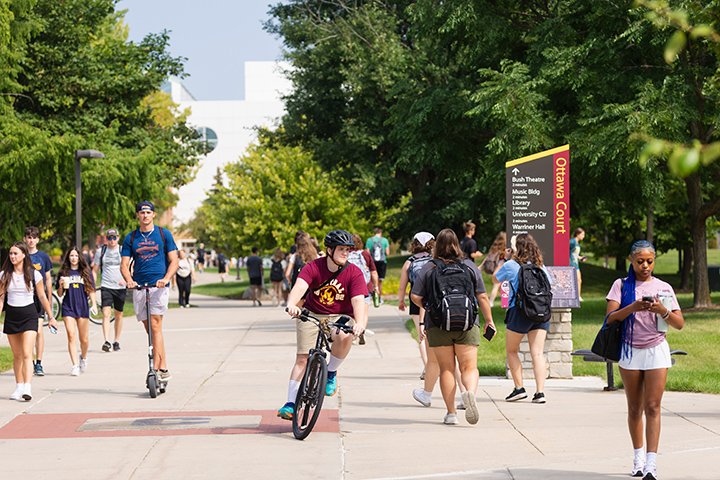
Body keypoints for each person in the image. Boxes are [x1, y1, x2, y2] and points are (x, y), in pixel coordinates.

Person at [605, 240, 684, 480]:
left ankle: (651, 463)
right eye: (640, 262)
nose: (645, 266)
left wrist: (662, 310)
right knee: (634, 407)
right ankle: (638, 457)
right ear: (631, 260)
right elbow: (610, 318)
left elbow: (679, 324)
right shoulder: (621, 285)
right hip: (630, 351)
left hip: (656, 350)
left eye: (650, 261)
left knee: (653, 407)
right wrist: (634, 307)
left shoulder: (663, 287)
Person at [277, 230, 368, 420]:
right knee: (302, 359)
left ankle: (331, 372)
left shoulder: (354, 273)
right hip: (312, 313)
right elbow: (300, 286)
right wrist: (292, 304)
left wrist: (359, 323)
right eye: (341, 249)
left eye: (348, 250)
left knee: (345, 335)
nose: (345, 253)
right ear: (329, 249)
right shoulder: (313, 267)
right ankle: (291, 403)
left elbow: (359, 301)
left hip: (339, 315)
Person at [410, 228, 495, 426]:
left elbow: (415, 296)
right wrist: (489, 320)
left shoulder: (429, 267)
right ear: (457, 244)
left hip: (438, 324)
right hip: (467, 323)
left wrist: (429, 307)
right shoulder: (469, 266)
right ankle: (469, 393)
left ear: (436, 245)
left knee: (447, 369)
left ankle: (451, 414)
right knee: (469, 367)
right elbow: (482, 296)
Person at [120, 200, 179, 383]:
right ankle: (164, 365)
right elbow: (124, 265)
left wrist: (166, 279)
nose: (145, 215)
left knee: (155, 325)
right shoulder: (131, 238)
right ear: (137, 215)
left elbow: (174, 261)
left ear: (153, 214)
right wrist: (129, 281)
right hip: (140, 286)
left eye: (148, 212)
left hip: (158, 286)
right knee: (151, 330)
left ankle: (158, 368)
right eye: (141, 212)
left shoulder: (163, 234)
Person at [494, 233, 552, 404]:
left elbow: (495, 278)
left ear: (514, 248)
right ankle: (540, 392)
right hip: (540, 312)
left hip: (519, 311)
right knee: (538, 353)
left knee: (512, 350)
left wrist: (505, 258)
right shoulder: (540, 265)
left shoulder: (510, 265)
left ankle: (519, 388)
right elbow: (550, 283)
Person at [0, 241, 58, 400]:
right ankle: (18, 386)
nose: (12, 256)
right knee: (17, 354)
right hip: (12, 316)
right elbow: (1, 298)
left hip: (30, 315)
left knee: (27, 352)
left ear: (24, 255)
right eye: (10, 253)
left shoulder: (34, 274)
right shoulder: (4, 274)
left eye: (15, 253)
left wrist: (51, 317)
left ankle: (27, 388)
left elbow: (42, 296)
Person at [397, 232, 435, 378]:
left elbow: (402, 286)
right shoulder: (433, 260)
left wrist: (401, 301)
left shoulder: (409, 262)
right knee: (432, 333)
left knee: (421, 335)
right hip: (432, 299)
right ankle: (435, 364)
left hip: (415, 298)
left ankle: (427, 367)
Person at [57, 247, 98, 376]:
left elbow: (91, 289)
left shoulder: (85, 272)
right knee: (71, 335)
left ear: (79, 257)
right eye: (71, 256)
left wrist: (94, 304)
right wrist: (60, 284)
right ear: (68, 258)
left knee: (84, 339)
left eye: (75, 256)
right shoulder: (64, 272)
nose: (73, 258)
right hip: (68, 306)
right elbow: (59, 294)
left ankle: (83, 358)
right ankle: (74, 365)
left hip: (82, 306)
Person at [23, 226, 53, 376]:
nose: (31, 240)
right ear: (25, 239)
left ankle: (39, 363)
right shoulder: (21, 255)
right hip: (24, 297)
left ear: (38, 240)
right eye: (28, 237)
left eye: (34, 237)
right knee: (29, 332)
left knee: (39, 331)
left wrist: (49, 298)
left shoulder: (43, 257)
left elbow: (48, 279)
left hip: (38, 298)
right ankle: (30, 360)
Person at [92, 228, 127, 352]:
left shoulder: (123, 250)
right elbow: (94, 270)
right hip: (106, 286)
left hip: (120, 287)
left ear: (118, 238)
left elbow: (130, 267)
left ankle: (116, 340)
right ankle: (106, 341)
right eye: (109, 238)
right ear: (106, 239)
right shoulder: (101, 251)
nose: (112, 240)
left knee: (119, 315)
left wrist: (127, 279)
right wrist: (93, 283)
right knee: (106, 313)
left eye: (114, 238)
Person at [480, 231, 506, 306]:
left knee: (500, 285)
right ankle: (492, 302)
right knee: (500, 285)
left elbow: (488, 256)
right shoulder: (504, 248)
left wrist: (481, 266)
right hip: (500, 268)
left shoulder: (494, 245)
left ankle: (503, 303)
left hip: (493, 267)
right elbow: (502, 260)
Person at [364, 226, 390, 303]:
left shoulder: (369, 240)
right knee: (380, 281)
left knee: (372, 280)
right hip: (382, 262)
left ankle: (372, 297)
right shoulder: (385, 240)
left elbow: (367, 252)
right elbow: (387, 253)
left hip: (372, 262)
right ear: (380, 233)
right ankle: (380, 298)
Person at [570, 227, 587, 301]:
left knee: (579, 280)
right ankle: (577, 296)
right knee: (577, 280)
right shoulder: (572, 242)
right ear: (577, 234)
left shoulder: (577, 243)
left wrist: (580, 258)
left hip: (576, 263)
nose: (583, 236)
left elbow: (575, 254)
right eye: (582, 234)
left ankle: (577, 296)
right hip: (571, 263)